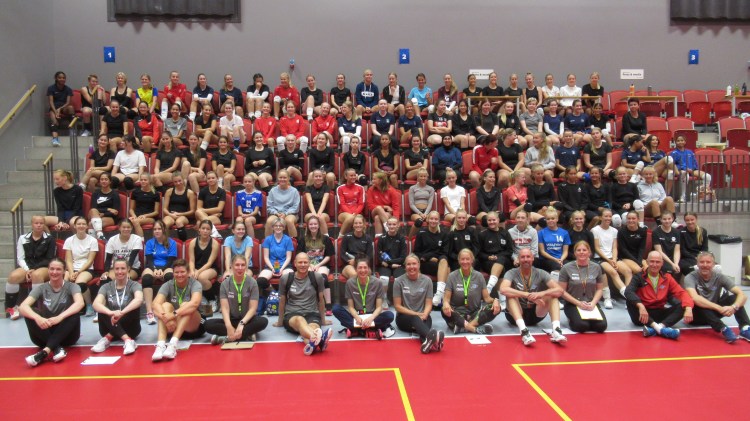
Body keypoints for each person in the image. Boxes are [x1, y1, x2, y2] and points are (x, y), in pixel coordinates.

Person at [19, 259, 83, 366]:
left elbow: (80, 303)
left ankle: (46, 351)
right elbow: (23, 307)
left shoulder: (72, 286)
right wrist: (38, 318)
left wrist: (59, 317)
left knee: (74, 313)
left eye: (58, 269)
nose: (54, 272)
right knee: (31, 312)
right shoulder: (41, 288)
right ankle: (56, 348)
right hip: (43, 335)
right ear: (48, 270)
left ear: (64, 271)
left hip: (67, 336)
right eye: (52, 269)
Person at [501, 248, 567, 345]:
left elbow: (560, 290)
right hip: (516, 315)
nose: (525, 259)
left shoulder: (541, 273)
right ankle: (524, 332)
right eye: (522, 257)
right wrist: (527, 295)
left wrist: (541, 294)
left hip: (536, 314)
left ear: (533, 258)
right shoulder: (511, 272)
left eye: (528, 257)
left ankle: (556, 330)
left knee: (553, 295)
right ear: (518, 259)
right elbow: (503, 289)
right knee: (510, 295)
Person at [273, 253, 333, 355]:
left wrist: (323, 320)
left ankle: (312, 344)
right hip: (292, 315)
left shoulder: (317, 277)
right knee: (300, 320)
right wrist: (280, 321)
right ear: (295, 263)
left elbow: (321, 300)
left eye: (305, 262)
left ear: (309, 263)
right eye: (300, 262)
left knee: (313, 329)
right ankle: (321, 341)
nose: (303, 265)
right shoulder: (286, 278)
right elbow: (282, 301)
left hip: (312, 313)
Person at [624, 251, 693, 340]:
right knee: (630, 301)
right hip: (642, 316)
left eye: (657, 262)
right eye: (652, 261)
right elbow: (628, 291)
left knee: (684, 305)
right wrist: (640, 306)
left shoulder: (667, 277)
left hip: (659, 313)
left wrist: (688, 308)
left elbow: (681, 293)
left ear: (662, 263)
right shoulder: (639, 276)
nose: (654, 265)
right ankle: (660, 329)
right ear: (647, 262)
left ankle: (658, 328)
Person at [685, 251, 750, 343]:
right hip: (696, 316)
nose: (705, 265)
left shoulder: (720, 277)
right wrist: (719, 308)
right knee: (700, 303)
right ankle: (724, 329)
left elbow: (742, 295)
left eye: (708, 262)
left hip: (714, 313)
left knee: (734, 298)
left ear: (713, 264)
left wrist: (733, 307)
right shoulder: (690, 277)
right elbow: (695, 298)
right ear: (697, 264)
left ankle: (745, 328)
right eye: (702, 262)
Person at [206, 255, 269, 345]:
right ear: (231, 266)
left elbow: (253, 308)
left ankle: (226, 337)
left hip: (247, 320)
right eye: (237, 265)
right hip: (231, 320)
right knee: (207, 324)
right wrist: (228, 326)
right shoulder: (225, 284)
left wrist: (242, 323)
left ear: (246, 267)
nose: (240, 268)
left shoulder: (252, 283)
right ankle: (246, 334)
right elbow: (225, 308)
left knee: (263, 321)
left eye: (243, 265)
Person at [151, 259, 205, 361]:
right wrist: (165, 317)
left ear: (188, 273)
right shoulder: (168, 285)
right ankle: (160, 345)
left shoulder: (195, 284)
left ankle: (173, 344)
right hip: (172, 325)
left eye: (182, 272)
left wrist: (173, 314)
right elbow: (155, 304)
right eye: (176, 272)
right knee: (164, 305)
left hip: (193, 326)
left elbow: (195, 303)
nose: (179, 275)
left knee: (186, 305)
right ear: (173, 273)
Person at [5, 215, 56, 320]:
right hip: (27, 267)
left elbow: (49, 258)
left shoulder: (50, 238)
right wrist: (28, 270)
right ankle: (11, 308)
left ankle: (37, 307)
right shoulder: (23, 238)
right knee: (13, 277)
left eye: (41, 223)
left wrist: (34, 269)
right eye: (36, 223)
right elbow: (20, 258)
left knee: (36, 275)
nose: (39, 225)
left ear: (44, 225)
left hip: (44, 266)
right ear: (32, 224)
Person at [393, 254, 445, 354]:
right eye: (408, 264)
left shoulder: (427, 281)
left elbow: (429, 304)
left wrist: (425, 314)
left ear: (419, 265)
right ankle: (436, 341)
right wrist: (417, 314)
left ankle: (428, 343)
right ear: (405, 266)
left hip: (424, 316)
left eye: (414, 264)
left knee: (424, 329)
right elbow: (397, 306)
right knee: (416, 320)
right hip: (404, 318)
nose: (411, 267)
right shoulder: (398, 281)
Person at [333, 258, 395, 338]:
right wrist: (357, 317)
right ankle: (370, 329)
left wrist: (371, 318)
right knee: (336, 309)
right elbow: (350, 307)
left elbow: (379, 307)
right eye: (360, 268)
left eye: (365, 267)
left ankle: (356, 330)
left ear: (369, 269)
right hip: (357, 315)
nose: (363, 270)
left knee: (390, 315)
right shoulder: (350, 283)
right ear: (356, 269)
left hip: (372, 315)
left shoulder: (377, 283)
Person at [91, 259, 143, 355]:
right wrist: (111, 313)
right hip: (108, 327)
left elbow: (139, 300)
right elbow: (95, 304)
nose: (120, 271)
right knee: (102, 309)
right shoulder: (106, 286)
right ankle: (127, 340)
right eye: (117, 269)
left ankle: (107, 338)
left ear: (128, 269)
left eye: (123, 268)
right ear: (113, 270)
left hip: (131, 330)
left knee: (133, 306)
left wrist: (122, 313)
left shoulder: (134, 285)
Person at [443, 249, 499, 335]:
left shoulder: (479, 276)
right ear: (458, 260)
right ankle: (474, 329)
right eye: (462, 259)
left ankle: (463, 327)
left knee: (496, 307)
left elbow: (487, 298)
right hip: (457, 314)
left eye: (467, 259)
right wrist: (446, 304)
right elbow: (446, 299)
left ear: (472, 260)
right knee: (443, 309)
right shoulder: (452, 276)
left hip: (475, 314)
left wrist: (495, 300)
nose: (465, 262)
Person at [558, 241, 608, 333]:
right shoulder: (566, 268)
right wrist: (578, 303)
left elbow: (600, 289)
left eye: (584, 250)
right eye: (578, 250)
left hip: (591, 303)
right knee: (582, 326)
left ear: (589, 253)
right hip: (573, 303)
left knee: (601, 327)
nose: (581, 252)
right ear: (575, 253)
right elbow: (562, 291)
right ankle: (571, 318)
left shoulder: (597, 267)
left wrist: (593, 303)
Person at [591, 209, 631, 309]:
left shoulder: (614, 231)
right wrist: (609, 260)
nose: (608, 218)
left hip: (612, 258)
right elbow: (597, 248)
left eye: (610, 216)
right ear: (601, 217)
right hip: (600, 258)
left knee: (628, 271)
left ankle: (629, 299)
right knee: (613, 272)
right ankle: (609, 298)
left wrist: (614, 259)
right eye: (606, 216)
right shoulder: (595, 230)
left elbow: (614, 248)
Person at [142, 220, 178, 325]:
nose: (157, 231)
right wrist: (154, 270)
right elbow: (149, 260)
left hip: (167, 266)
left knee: (170, 276)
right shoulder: (150, 243)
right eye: (155, 229)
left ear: (164, 230)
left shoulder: (172, 243)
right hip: (152, 266)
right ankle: (149, 312)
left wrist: (161, 270)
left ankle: (166, 309)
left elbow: (171, 261)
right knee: (146, 278)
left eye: (159, 229)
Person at [296, 215, 335, 312]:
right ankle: (309, 303)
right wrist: (310, 265)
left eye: (315, 224)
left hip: (322, 264)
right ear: (308, 226)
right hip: (307, 264)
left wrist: (318, 265)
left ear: (318, 225)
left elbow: (328, 256)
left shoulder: (326, 239)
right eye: (311, 224)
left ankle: (328, 305)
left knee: (323, 278)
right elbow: (300, 255)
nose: (313, 226)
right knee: (309, 277)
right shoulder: (303, 239)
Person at [63, 216, 98, 316]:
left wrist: (78, 272)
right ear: (74, 226)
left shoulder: (93, 240)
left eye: (83, 224)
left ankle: (89, 305)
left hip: (86, 269)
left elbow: (90, 261)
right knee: (63, 282)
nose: (81, 226)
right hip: (71, 268)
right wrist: (71, 273)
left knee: (79, 283)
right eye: (79, 224)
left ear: (87, 226)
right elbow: (68, 260)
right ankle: (65, 306)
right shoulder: (69, 240)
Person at [477, 212, 514, 302]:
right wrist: (488, 257)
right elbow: (479, 253)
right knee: (501, 269)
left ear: (498, 220)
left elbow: (509, 251)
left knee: (501, 259)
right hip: (488, 261)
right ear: (487, 221)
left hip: (504, 259)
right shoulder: (482, 234)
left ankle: (489, 288)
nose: (492, 222)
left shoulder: (505, 233)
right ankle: (502, 301)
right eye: (489, 220)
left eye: (494, 220)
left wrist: (498, 257)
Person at [188, 220, 221, 311]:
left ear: (211, 231)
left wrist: (198, 272)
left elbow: (209, 262)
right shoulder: (193, 242)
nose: (205, 231)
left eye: (208, 229)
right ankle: (201, 299)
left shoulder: (214, 243)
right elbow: (191, 260)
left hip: (211, 268)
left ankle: (212, 299)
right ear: (199, 229)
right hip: (196, 267)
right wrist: (192, 271)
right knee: (188, 276)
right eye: (203, 228)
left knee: (201, 277)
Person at [670, 135, 711, 202]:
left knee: (707, 176)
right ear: (675, 142)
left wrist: (693, 169)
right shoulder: (674, 153)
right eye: (678, 141)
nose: (680, 142)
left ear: (685, 142)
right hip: (682, 170)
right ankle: (682, 196)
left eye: (682, 140)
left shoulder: (690, 152)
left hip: (692, 170)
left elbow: (694, 162)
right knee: (685, 175)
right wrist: (683, 168)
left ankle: (704, 195)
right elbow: (672, 164)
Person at [377, 217, 408, 303]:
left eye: (394, 224)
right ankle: (384, 299)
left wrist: (390, 263)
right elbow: (379, 256)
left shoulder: (402, 239)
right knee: (384, 278)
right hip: (384, 266)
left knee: (399, 279)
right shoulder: (381, 238)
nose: (392, 226)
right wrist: (391, 265)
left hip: (398, 265)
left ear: (398, 225)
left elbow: (403, 257)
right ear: (386, 225)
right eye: (390, 224)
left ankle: (397, 299)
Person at [259, 218, 295, 287]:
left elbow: (288, 258)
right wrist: (272, 269)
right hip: (270, 266)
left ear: (284, 228)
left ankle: (283, 292)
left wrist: (281, 269)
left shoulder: (288, 239)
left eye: (280, 226)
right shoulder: (268, 239)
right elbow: (266, 257)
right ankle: (272, 290)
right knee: (261, 281)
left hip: (285, 266)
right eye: (276, 226)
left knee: (290, 279)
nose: (278, 227)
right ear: (272, 227)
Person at [264, 169, 299, 238]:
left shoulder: (294, 191)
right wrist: (276, 213)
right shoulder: (273, 191)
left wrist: (285, 214)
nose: (282, 179)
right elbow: (269, 206)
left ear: (288, 178)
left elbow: (295, 207)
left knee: (289, 221)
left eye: (284, 177)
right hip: (276, 213)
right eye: (280, 177)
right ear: (278, 178)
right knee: (269, 221)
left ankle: (294, 242)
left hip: (290, 214)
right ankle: (268, 243)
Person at [162, 172, 196, 240]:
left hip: (183, 215)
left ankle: (183, 242)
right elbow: (164, 208)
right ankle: (164, 242)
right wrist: (170, 215)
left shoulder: (190, 193)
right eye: (175, 182)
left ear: (183, 180)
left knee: (179, 222)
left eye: (179, 181)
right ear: (173, 182)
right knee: (165, 223)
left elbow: (192, 211)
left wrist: (179, 214)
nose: (178, 183)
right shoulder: (169, 191)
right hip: (171, 215)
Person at [367, 172, 402, 236]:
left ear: (380, 180)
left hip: (388, 213)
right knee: (379, 208)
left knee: (377, 218)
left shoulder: (391, 190)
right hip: (374, 211)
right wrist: (385, 206)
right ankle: (390, 230)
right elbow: (370, 206)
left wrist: (396, 219)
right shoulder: (371, 189)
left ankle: (378, 238)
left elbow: (396, 207)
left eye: (374, 179)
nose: (372, 181)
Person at [339, 214, 373, 280]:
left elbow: (369, 256)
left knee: (367, 273)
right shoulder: (347, 237)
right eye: (356, 223)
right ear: (353, 225)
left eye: (360, 223)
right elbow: (342, 254)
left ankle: (364, 288)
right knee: (354, 275)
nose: (358, 225)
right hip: (349, 264)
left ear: (364, 225)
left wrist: (359, 262)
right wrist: (349, 261)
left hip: (363, 263)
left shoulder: (368, 238)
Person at [87, 172, 120, 240]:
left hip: (110, 217)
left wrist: (104, 214)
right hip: (95, 214)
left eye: (106, 179)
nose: (103, 181)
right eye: (102, 179)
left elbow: (115, 212)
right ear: (99, 181)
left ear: (110, 181)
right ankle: (100, 234)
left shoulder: (115, 194)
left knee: (91, 224)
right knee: (93, 210)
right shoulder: (96, 193)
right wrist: (108, 209)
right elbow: (94, 208)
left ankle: (93, 242)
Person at [538, 209, 571, 273]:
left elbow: (565, 251)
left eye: (553, 218)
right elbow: (542, 252)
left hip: (561, 258)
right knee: (557, 266)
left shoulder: (564, 233)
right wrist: (555, 260)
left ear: (557, 219)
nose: (550, 220)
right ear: (546, 220)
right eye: (548, 219)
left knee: (571, 266)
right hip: (547, 259)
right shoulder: (541, 233)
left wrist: (561, 259)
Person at [617, 211, 648, 277]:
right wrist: (637, 262)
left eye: (633, 218)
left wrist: (639, 261)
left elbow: (641, 248)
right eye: (629, 218)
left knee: (647, 269)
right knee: (638, 270)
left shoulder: (643, 231)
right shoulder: (621, 231)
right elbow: (623, 249)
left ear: (638, 219)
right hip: (625, 257)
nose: (631, 220)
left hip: (638, 257)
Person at [47, 71, 74, 146]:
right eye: (60, 78)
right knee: (54, 121)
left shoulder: (68, 89)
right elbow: (51, 102)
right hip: (54, 108)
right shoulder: (51, 88)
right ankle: (55, 139)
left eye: (64, 78)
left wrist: (60, 109)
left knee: (71, 108)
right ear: (56, 78)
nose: (62, 79)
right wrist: (55, 111)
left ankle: (72, 130)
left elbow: (68, 102)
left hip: (64, 107)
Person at [337, 168, 366, 237]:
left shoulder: (360, 188)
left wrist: (355, 213)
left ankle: (359, 239)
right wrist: (352, 214)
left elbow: (361, 204)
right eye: (351, 175)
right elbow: (342, 204)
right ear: (346, 177)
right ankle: (340, 237)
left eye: (354, 175)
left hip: (358, 213)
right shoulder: (340, 188)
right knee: (350, 218)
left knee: (357, 220)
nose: (353, 177)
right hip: (343, 213)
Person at [408, 168, 435, 237]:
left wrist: (425, 214)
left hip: (427, 212)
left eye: (424, 176)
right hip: (416, 212)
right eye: (421, 176)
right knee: (419, 221)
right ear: (418, 177)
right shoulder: (412, 188)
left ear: (427, 177)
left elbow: (430, 203)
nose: (423, 178)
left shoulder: (431, 189)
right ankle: (409, 239)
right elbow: (411, 204)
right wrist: (420, 213)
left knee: (433, 221)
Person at [679, 212, 709, 276]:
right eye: (687, 220)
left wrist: (700, 257)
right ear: (684, 221)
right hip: (686, 258)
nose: (690, 222)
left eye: (692, 220)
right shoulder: (681, 232)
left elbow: (705, 248)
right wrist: (694, 257)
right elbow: (682, 250)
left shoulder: (703, 231)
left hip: (700, 256)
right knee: (691, 268)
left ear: (696, 219)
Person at [304, 170, 331, 235]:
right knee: (311, 217)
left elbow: (324, 201)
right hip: (311, 212)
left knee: (320, 217)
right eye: (316, 176)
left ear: (322, 178)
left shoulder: (326, 187)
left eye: (320, 176)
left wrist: (319, 213)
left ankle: (326, 238)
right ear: (313, 177)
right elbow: (309, 202)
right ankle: (307, 238)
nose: (318, 178)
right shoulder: (308, 188)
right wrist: (313, 213)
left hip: (323, 213)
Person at [234, 173, 262, 239]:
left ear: (253, 182)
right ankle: (238, 240)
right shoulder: (239, 193)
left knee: (248, 220)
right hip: (243, 214)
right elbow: (239, 211)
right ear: (243, 183)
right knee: (238, 220)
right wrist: (242, 214)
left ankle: (251, 240)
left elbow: (256, 211)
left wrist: (248, 215)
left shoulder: (258, 193)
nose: (247, 183)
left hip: (254, 215)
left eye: (249, 181)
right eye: (245, 182)